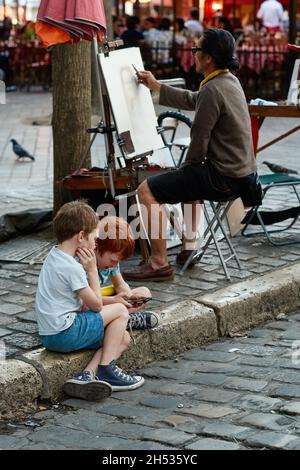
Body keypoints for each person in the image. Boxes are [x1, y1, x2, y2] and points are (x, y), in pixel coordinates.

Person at [122, 28, 260, 282]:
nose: (193, 53)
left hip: (224, 178)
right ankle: (189, 246)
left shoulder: (213, 89)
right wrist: (156, 86)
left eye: (196, 50)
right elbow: (193, 99)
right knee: (189, 180)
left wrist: (182, 171)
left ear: (208, 58)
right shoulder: (228, 80)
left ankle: (158, 263)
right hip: (241, 175)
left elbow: (199, 140)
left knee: (146, 190)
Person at [35, 201, 145, 401]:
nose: (96, 242)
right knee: (120, 310)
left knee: (123, 338)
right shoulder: (73, 267)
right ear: (81, 237)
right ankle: (106, 370)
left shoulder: (54, 256)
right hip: (65, 332)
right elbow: (95, 305)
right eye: (94, 237)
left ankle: (87, 375)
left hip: (50, 335)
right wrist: (92, 270)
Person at [95, 215, 159, 330]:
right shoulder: (86, 263)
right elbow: (86, 301)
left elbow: (119, 284)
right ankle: (119, 321)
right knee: (116, 308)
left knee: (144, 292)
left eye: (118, 261)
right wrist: (114, 301)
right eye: (113, 260)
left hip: (101, 299)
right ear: (97, 246)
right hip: (90, 304)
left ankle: (118, 320)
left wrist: (130, 297)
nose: (115, 265)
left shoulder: (111, 262)